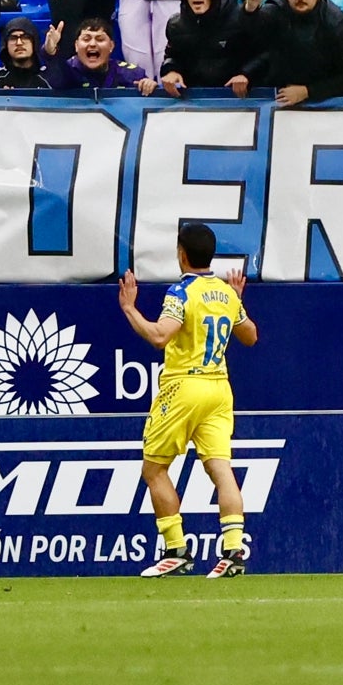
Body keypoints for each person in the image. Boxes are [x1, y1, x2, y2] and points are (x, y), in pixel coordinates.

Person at [118, 223, 259, 578]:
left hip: (185, 386)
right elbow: (251, 336)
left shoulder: (181, 293)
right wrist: (236, 303)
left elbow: (160, 337)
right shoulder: (226, 294)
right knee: (221, 468)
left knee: (154, 469)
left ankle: (176, 549)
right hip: (219, 389)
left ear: (182, 253)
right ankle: (232, 552)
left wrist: (130, 309)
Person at [242, 0, 343, 105]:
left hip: (328, 101)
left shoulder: (336, 21)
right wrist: (250, 9)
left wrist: (307, 91)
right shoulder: (275, 10)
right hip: (280, 98)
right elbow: (249, 36)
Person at [160, 0, 256, 97]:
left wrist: (246, 74)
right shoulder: (176, 25)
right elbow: (172, 56)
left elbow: (263, 53)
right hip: (195, 101)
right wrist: (171, 71)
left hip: (239, 98)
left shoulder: (240, 19)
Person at [40, 17, 158, 93]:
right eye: (86, 39)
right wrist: (50, 52)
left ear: (111, 46)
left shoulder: (132, 75)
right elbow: (58, 80)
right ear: (76, 46)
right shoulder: (67, 72)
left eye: (100, 39)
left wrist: (150, 87)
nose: (92, 44)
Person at [0, 16, 52, 87]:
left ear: (34, 42)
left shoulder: (49, 78)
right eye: (13, 38)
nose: (19, 43)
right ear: (5, 45)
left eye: (25, 37)